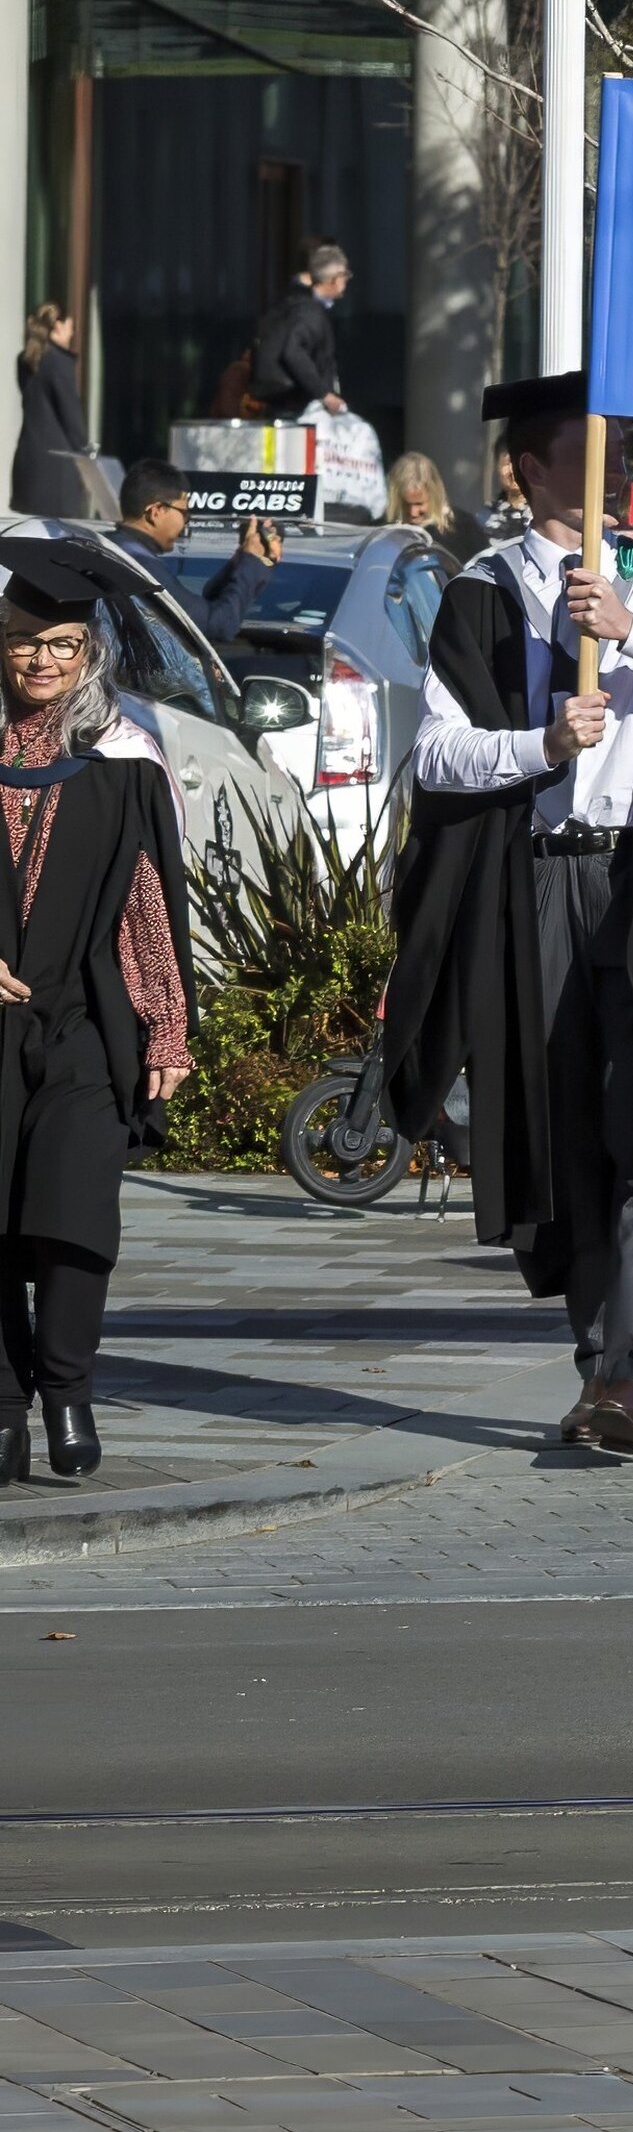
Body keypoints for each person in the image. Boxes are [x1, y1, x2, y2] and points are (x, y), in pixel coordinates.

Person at [378, 372, 633, 1460]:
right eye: (580, 458)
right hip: (538, 877)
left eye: (617, 459)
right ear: (531, 472)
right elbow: (440, 756)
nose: (605, 484)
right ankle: (598, 1361)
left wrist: (632, 629)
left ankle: (629, 1381)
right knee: (562, 1134)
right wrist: (538, 748)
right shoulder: (483, 592)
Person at [0, 539, 192, 1481]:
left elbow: (147, 901)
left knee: (74, 1214)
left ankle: (68, 1391)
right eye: (24, 641)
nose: (42, 660)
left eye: (62, 644)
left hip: (87, 1021)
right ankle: (3, 1410)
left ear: (90, 654)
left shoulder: (121, 757)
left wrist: (167, 1023)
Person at [11, 303, 99, 522]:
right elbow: (71, 418)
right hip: (57, 469)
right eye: (70, 326)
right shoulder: (59, 363)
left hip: (29, 461)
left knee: (31, 536)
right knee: (59, 539)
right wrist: (86, 454)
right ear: (57, 327)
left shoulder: (27, 360)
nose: (72, 332)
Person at [252, 243, 353, 423]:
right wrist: (324, 393)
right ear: (335, 279)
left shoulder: (291, 303)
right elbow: (293, 351)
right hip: (299, 408)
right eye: (345, 275)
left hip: (284, 404)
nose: (346, 281)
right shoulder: (310, 312)